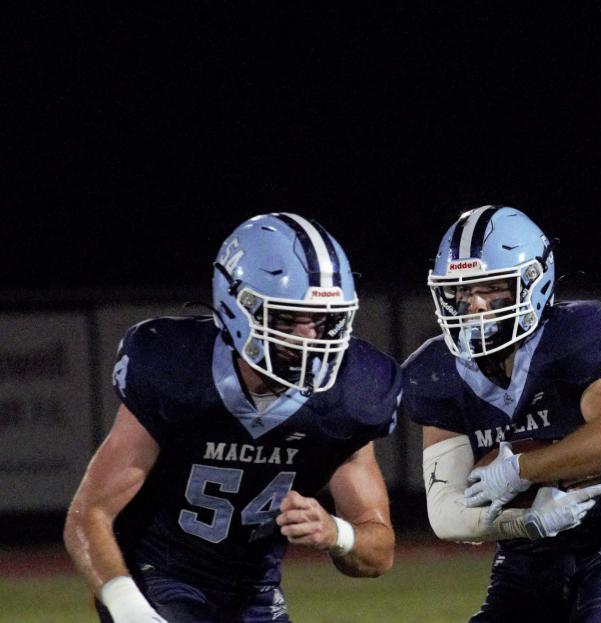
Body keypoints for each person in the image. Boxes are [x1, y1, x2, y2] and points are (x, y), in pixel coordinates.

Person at [64, 213, 400, 623]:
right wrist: (129, 608)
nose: (309, 337)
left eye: (323, 319)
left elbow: (378, 551)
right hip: (159, 577)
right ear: (236, 306)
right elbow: (89, 515)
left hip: (254, 593)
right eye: (287, 318)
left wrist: (337, 533)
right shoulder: (176, 370)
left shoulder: (352, 394)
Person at [402, 205, 601, 622]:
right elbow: (446, 513)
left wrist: (521, 469)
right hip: (522, 564)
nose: (476, 305)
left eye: (493, 286)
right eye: (462, 291)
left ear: (534, 282)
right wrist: (525, 521)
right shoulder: (436, 371)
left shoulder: (578, 334)